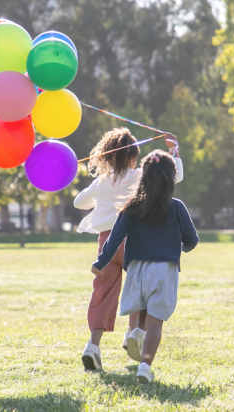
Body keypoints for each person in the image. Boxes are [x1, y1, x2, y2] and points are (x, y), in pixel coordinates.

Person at [74, 128, 183, 371]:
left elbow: (78, 202)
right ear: (134, 156)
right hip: (134, 241)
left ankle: (93, 346)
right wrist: (174, 151)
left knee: (102, 294)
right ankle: (133, 333)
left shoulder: (102, 182)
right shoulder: (139, 176)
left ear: (107, 157)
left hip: (106, 245)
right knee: (142, 289)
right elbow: (174, 176)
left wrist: (101, 193)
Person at [91, 149, 198, 383]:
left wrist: (101, 262)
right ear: (171, 179)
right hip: (164, 270)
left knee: (142, 307)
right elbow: (192, 239)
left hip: (137, 269)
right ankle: (144, 367)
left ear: (143, 177)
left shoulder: (131, 207)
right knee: (156, 322)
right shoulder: (177, 206)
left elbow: (114, 238)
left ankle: (136, 332)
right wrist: (182, 247)